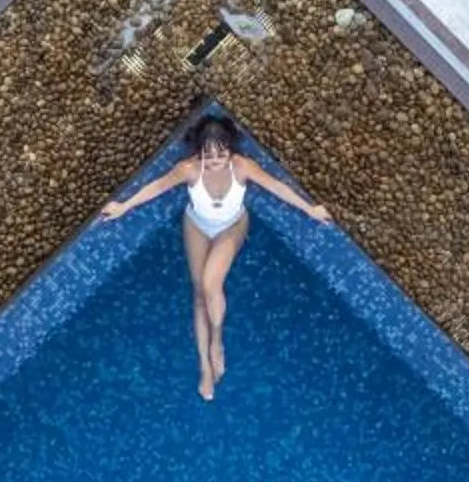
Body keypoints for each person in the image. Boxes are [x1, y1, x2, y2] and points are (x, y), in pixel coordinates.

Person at [95, 115, 331, 398]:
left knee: (211, 284)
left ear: (230, 149)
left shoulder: (242, 167)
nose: (216, 160)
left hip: (232, 226)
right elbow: (157, 186)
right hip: (197, 225)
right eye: (209, 154)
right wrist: (124, 206)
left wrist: (310, 209)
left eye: (221, 153)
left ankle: (216, 340)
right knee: (198, 293)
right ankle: (205, 366)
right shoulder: (189, 169)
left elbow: (276, 186)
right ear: (200, 152)